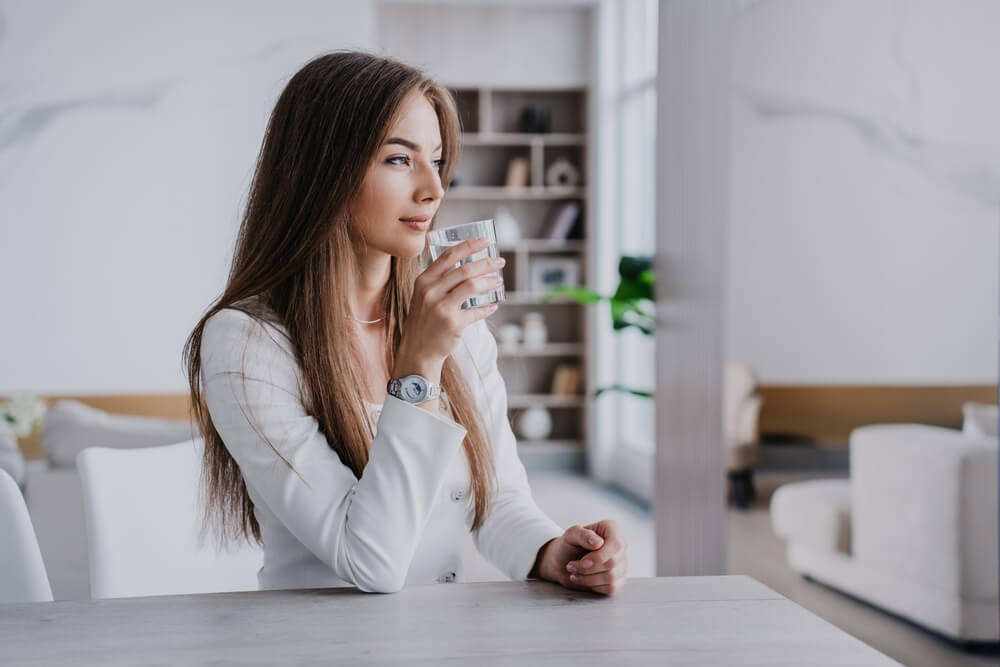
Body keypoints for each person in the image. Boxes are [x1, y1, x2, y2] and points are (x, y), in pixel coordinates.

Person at [183, 51, 628, 595]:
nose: (434, 189)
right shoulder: (246, 343)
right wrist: (418, 368)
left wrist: (553, 551)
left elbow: (500, 501)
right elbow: (371, 562)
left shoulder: (455, 327)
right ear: (322, 173)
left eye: (437, 161)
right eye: (399, 159)